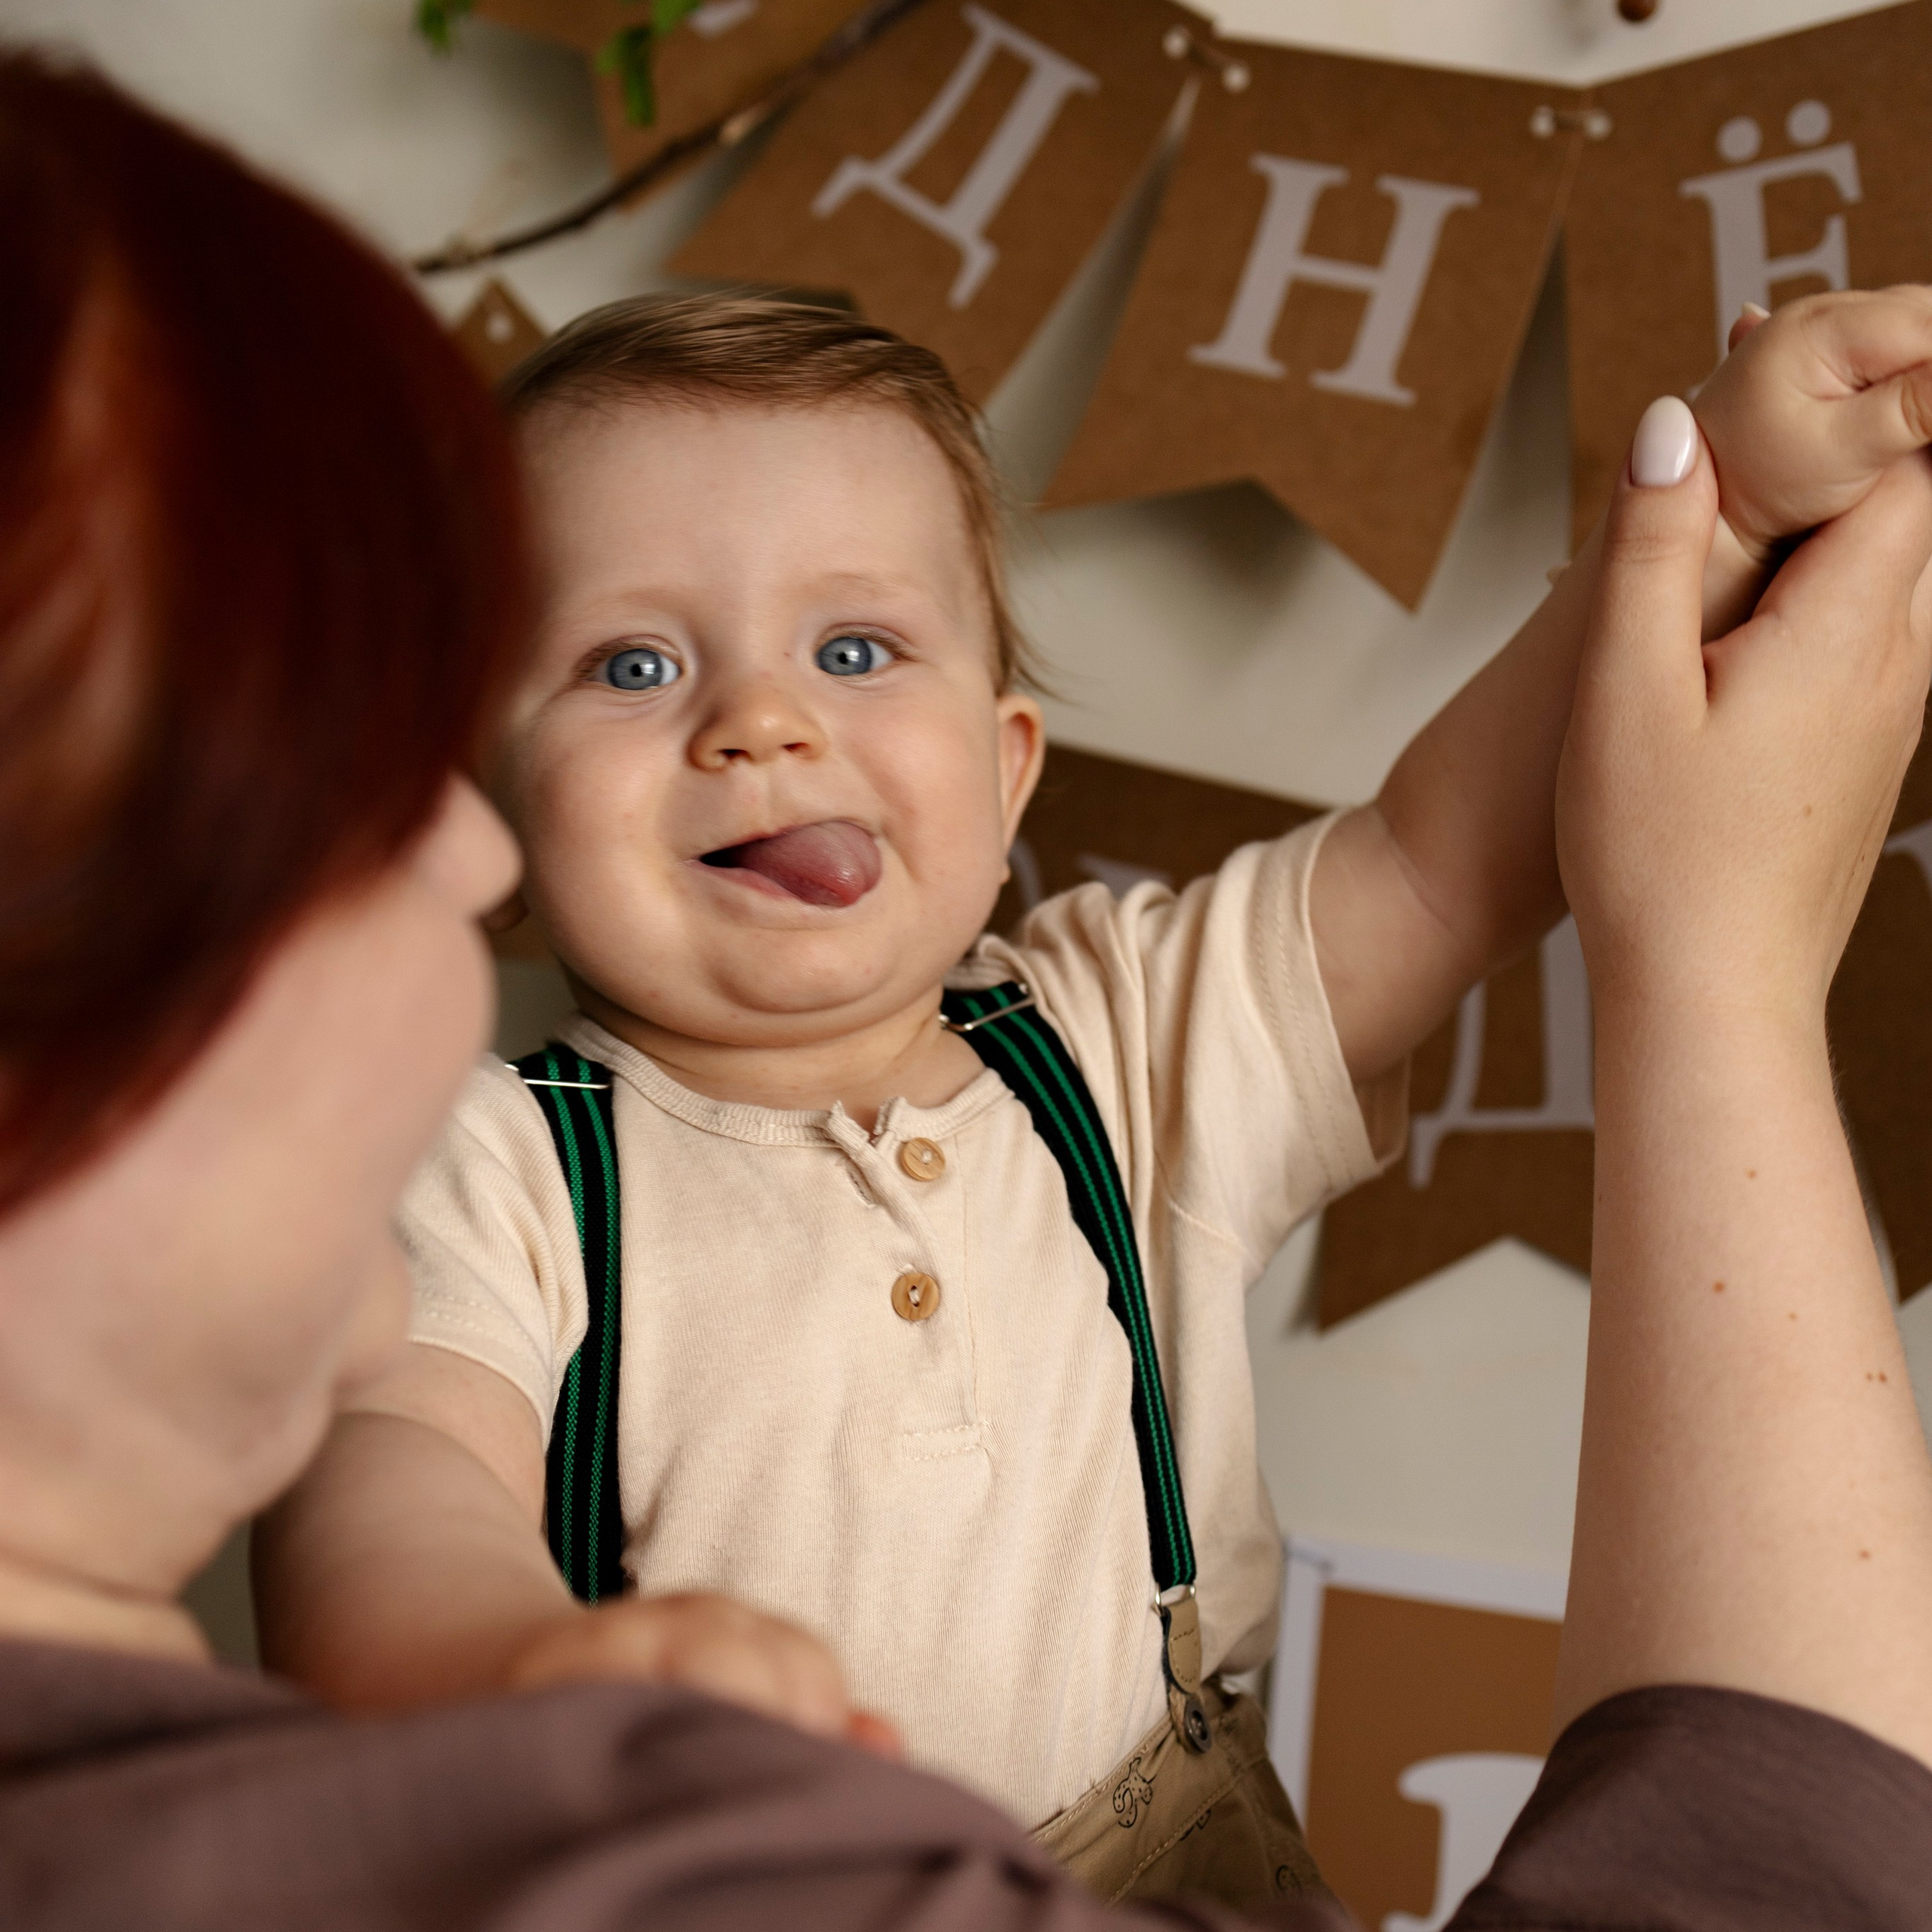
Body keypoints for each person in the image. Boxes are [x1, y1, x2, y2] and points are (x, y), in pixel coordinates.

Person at [7, 47, 1932, 1932]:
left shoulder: (1119, 1032)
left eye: (854, 644)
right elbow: (396, 1474)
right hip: (715, 1852)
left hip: (1189, 1848)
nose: (761, 720)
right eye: (627, 669)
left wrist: (1713, 516)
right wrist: (516, 1670)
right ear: (495, 801)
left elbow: (1445, 847)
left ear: (1009, 766)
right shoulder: (494, 1161)